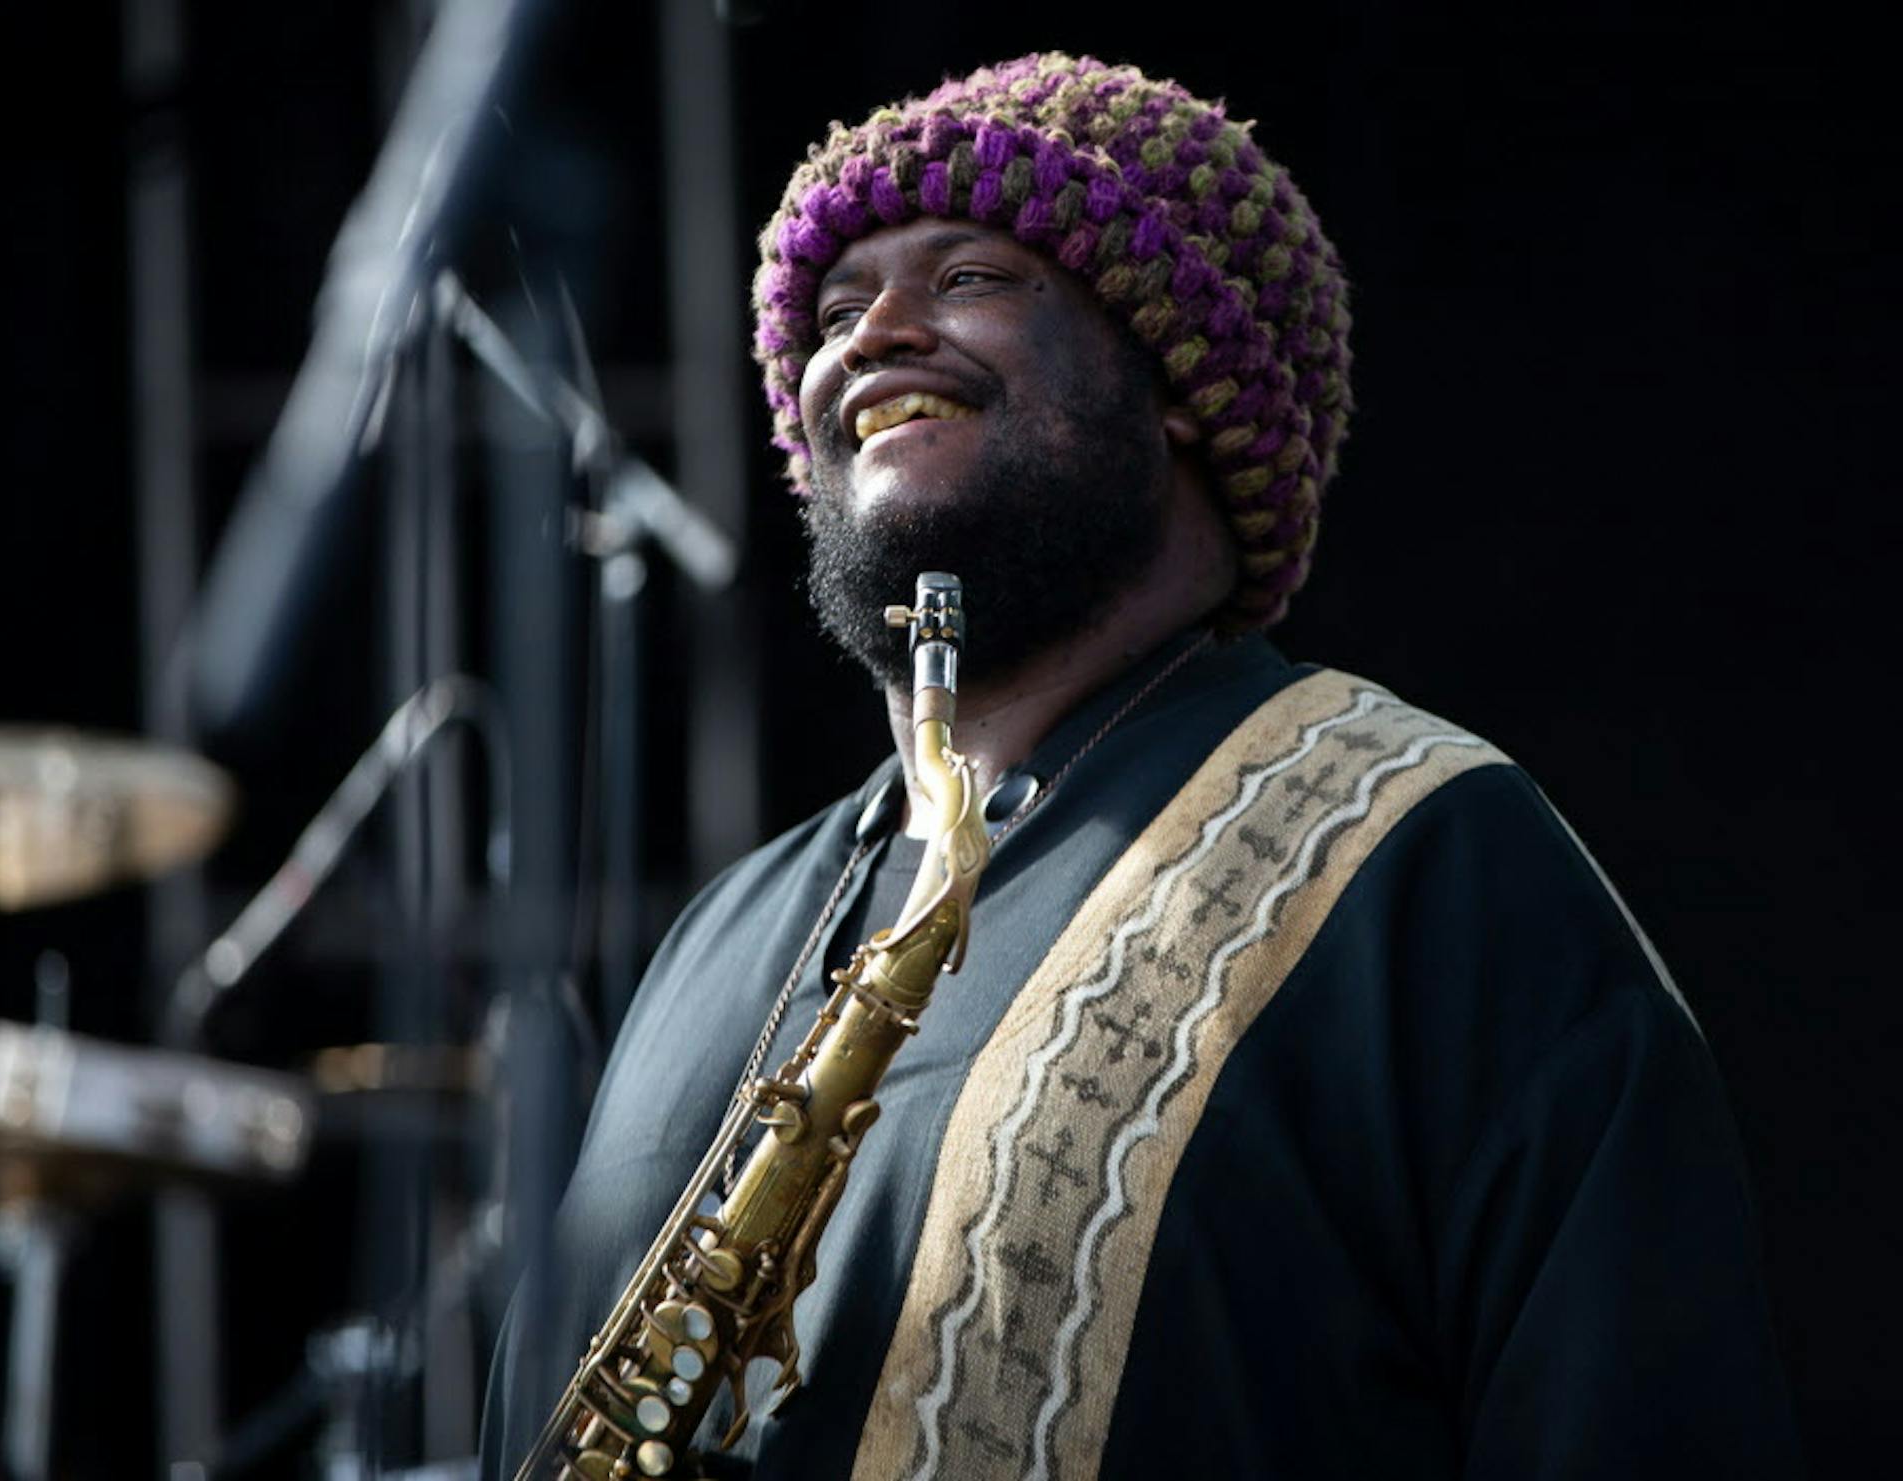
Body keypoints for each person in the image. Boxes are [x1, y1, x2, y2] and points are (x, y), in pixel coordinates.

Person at [482, 53, 1801, 1478]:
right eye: (840, 307)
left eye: (971, 275)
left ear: (1180, 377)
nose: (872, 337)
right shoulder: (719, 933)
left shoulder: (1427, 853)